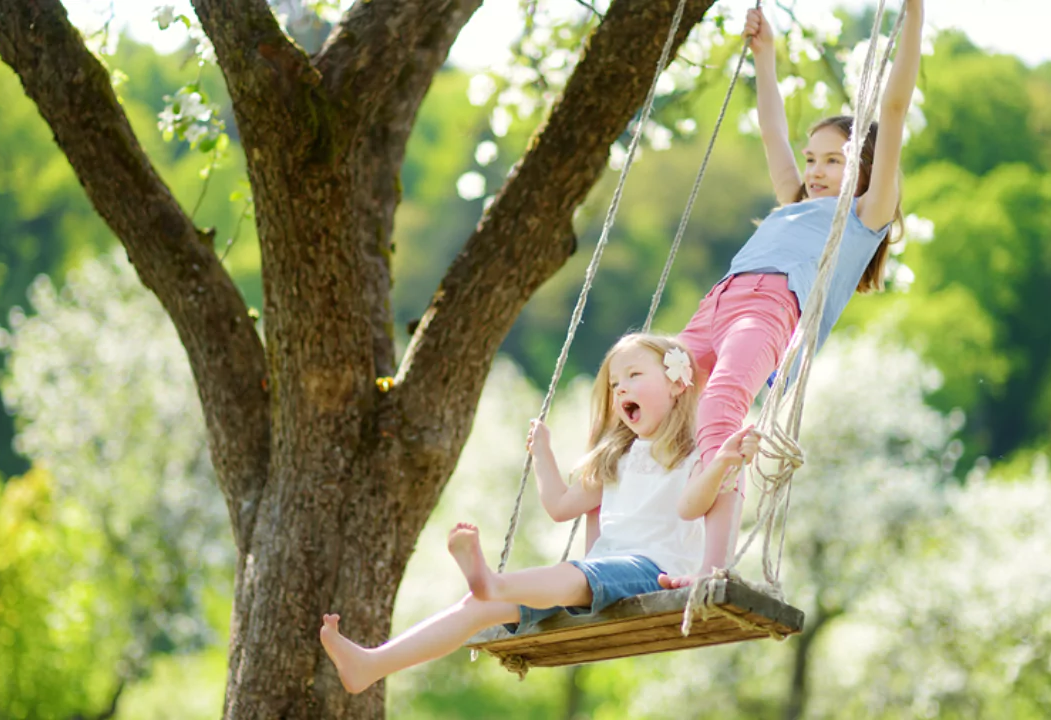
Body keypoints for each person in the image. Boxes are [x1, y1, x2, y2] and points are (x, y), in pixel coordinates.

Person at [319, 334, 759, 693]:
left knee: (562, 576)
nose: (620, 388)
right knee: (478, 606)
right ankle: (372, 664)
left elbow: (695, 503)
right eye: (613, 384)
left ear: (678, 385)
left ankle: (494, 582)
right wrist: (543, 454)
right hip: (597, 574)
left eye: (633, 375)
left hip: (653, 572)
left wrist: (725, 461)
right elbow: (560, 506)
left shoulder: (693, 453)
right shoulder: (617, 458)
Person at [659, 0, 925, 590]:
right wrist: (767, 57)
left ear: (867, 168)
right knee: (655, 395)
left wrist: (914, 14)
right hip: (717, 304)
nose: (818, 170)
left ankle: (713, 568)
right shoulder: (794, 202)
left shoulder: (860, 217)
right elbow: (772, 130)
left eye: (836, 159)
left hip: (771, 311)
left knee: (721, 413)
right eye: (813, 160)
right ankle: (643, 549)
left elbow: (894, 107)